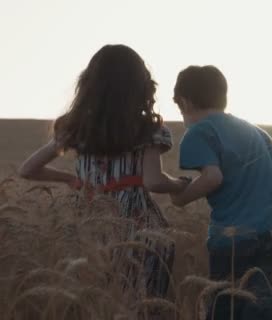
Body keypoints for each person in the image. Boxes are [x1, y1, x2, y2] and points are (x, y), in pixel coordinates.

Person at [18, 44, 186, 304]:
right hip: (142, 232)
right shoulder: (148, 129)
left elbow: (28, 169)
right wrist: (180, 184)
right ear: (139, 86)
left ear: (90, 84)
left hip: (92, 233)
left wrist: (72, 180)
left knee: (101, 304)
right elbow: (154, 181)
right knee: (145, 306)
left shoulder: (74, 127)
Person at [170, 65, 272, 319]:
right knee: (264, 306)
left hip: (232, 240)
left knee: (225, 307)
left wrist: (180, 197)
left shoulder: (198, 133)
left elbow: (213, 177)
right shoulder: (256, 130)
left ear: (184, 102)